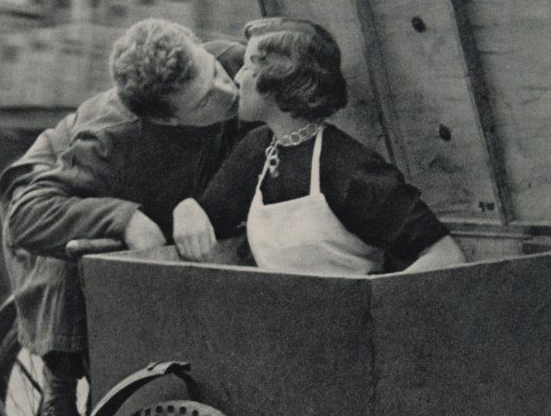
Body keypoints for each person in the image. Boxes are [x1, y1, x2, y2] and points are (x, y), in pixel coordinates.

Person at [0, 18, 246, 416]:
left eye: (217, 74)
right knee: (77, 258)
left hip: (159, 188)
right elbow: (28, 216)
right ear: (164, 118)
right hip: (59, 182)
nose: (229, 93)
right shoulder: (110, 137)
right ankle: (60, 385)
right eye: (207, 99)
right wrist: (121, 217)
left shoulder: (229, 61)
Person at [172, 16, 464, 275]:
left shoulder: (350, 168)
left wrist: (378, 305)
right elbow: (210, 216)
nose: (237, 77)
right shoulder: (257, 149)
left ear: (280, 79)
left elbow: (445, 255)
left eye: (248, 66)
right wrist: (186, 209)